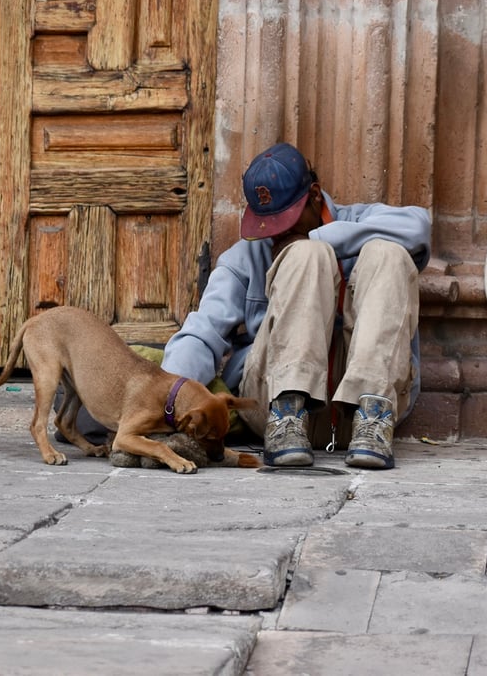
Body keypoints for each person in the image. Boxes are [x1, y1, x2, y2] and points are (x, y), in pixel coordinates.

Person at [161, 142, 431, 469]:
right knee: (305, 257)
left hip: (363, 413)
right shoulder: (244, 256)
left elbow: (418, 226)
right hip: (269, 405)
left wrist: (320, 239)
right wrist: (166, 404)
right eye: (268, 224)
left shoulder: (360, 220)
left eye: (285, 222)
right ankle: (289, 412)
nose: (275, 235)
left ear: (315, 195)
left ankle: (372, 416)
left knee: (388, 252)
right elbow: (202, 334)